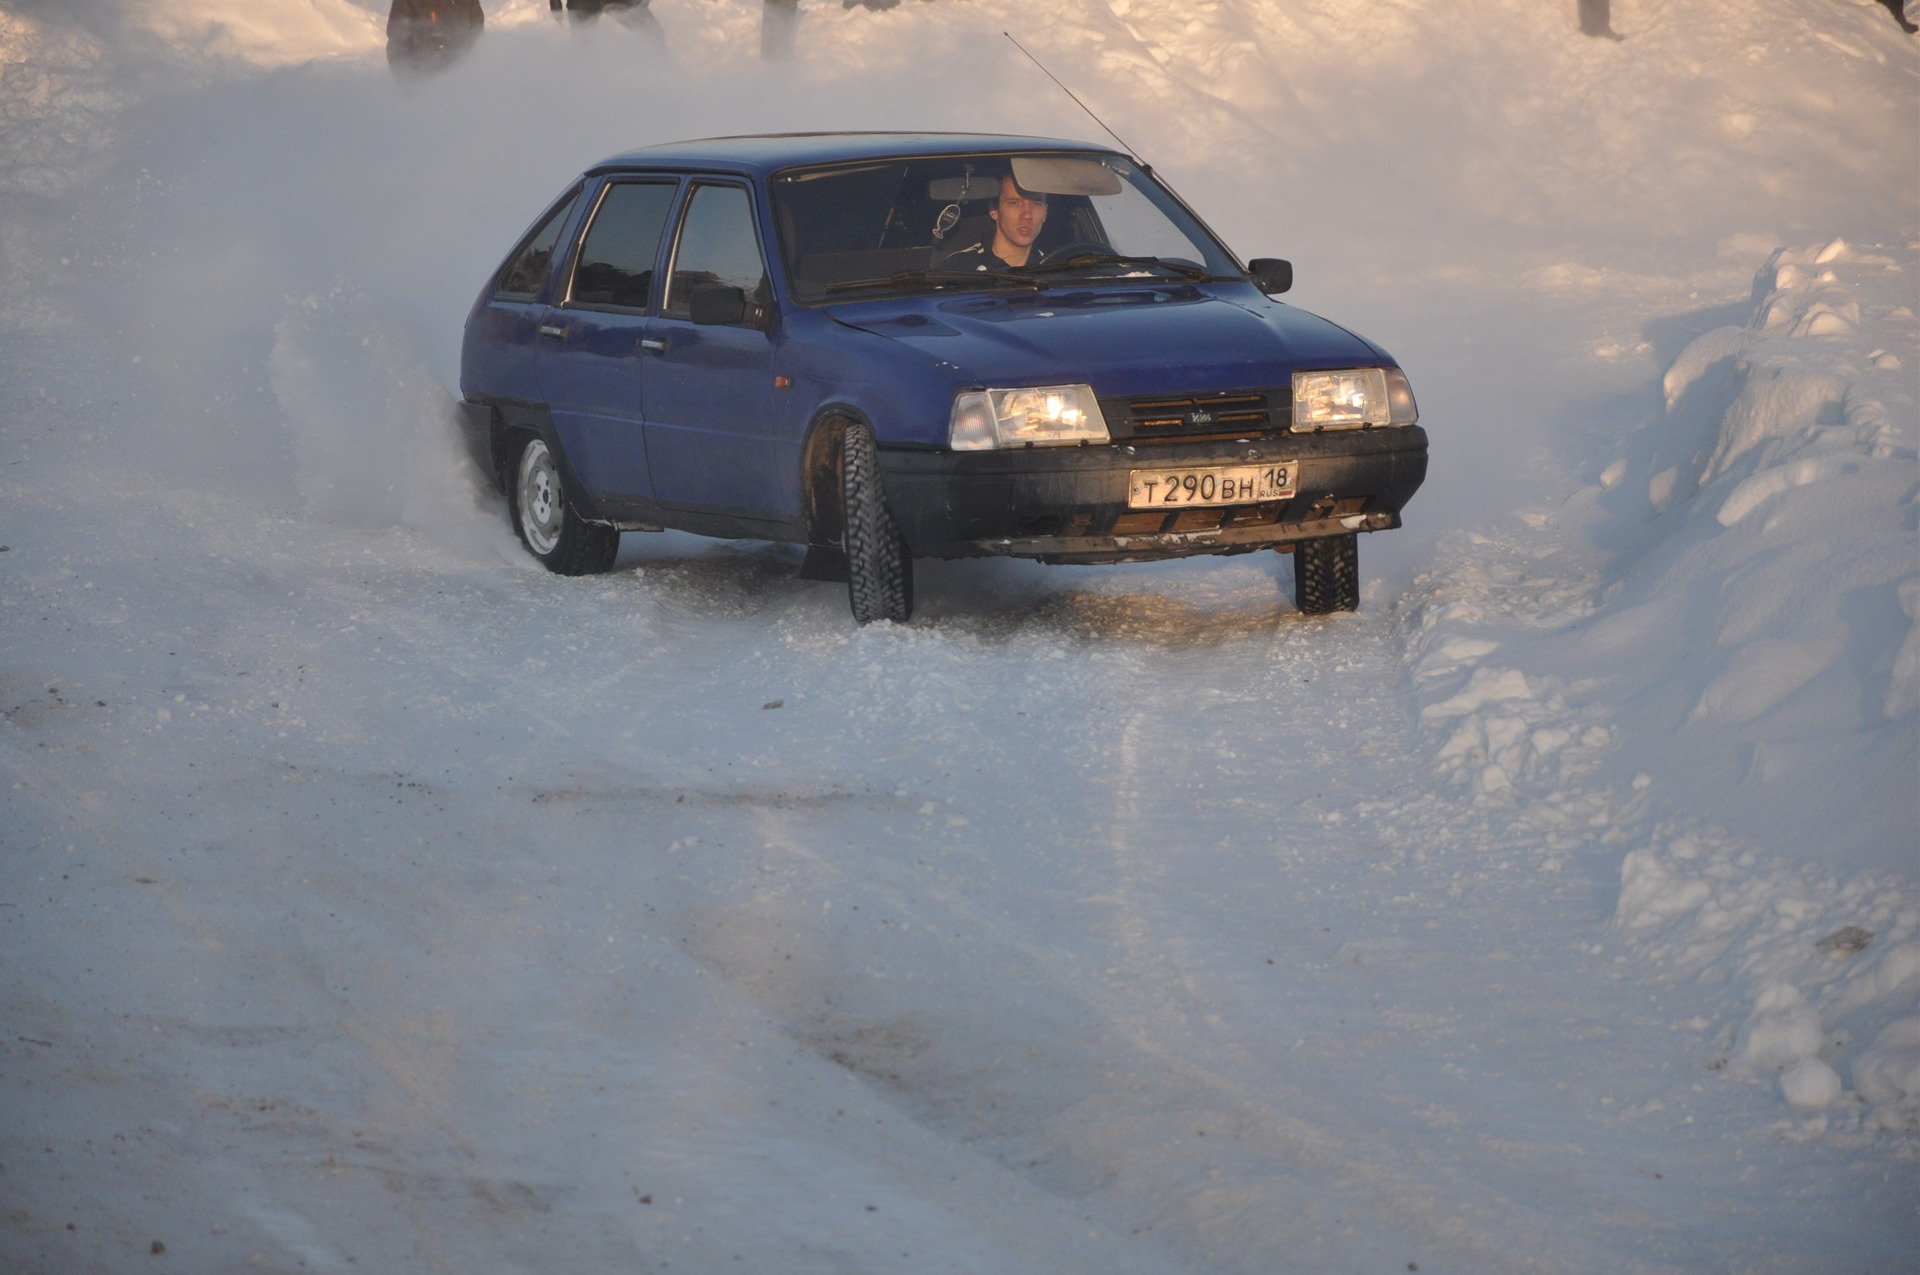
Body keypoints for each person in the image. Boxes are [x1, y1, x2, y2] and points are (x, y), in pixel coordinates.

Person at [934, 172, 1049, 271]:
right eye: (1014, 203)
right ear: (994, 210)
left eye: (1036, 204)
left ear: (1045, 213)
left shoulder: (1055, 268)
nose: (1027, 215)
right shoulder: (958, 268)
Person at [386, 0, 483, 75]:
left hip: (461, 81)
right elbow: (397, 45)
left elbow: (477, 37)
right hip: (423, 80)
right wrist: (408, 86)